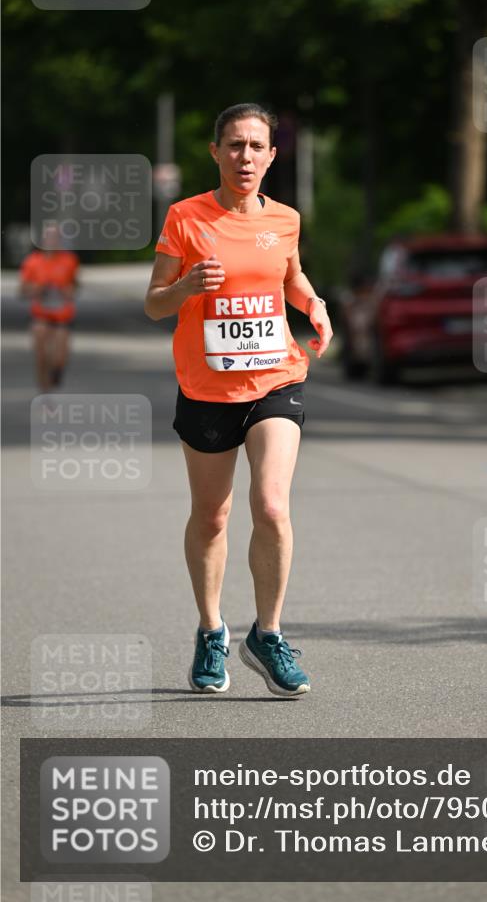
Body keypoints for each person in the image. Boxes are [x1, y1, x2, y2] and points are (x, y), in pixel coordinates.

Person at [144, 102, 333, 698]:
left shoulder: (285, 219)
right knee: (213, 516)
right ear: (216, 152)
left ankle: (268, 634)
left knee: (273, 506)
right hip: (206, 388)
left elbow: (291, 276)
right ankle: (210, 629)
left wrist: (314, 305)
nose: (245, 156)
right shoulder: (185, 217)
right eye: (234, 145)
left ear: (273, 155)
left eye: (256, 146)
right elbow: (153, 303)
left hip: (275, 377)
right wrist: (185, 286)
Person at [19, 224, 79, 392]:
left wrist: (67, 291)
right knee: (41, 356)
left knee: (58, 359)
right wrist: (38, 289)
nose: (52, 240)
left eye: (55, 237)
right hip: (41, 315)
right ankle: (43, 392)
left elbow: (75, 287)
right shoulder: (32, 262)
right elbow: (22, 290)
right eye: (49, 236)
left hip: (62, 317)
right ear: (42, 239)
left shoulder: (69, 261)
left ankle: (55, 375)